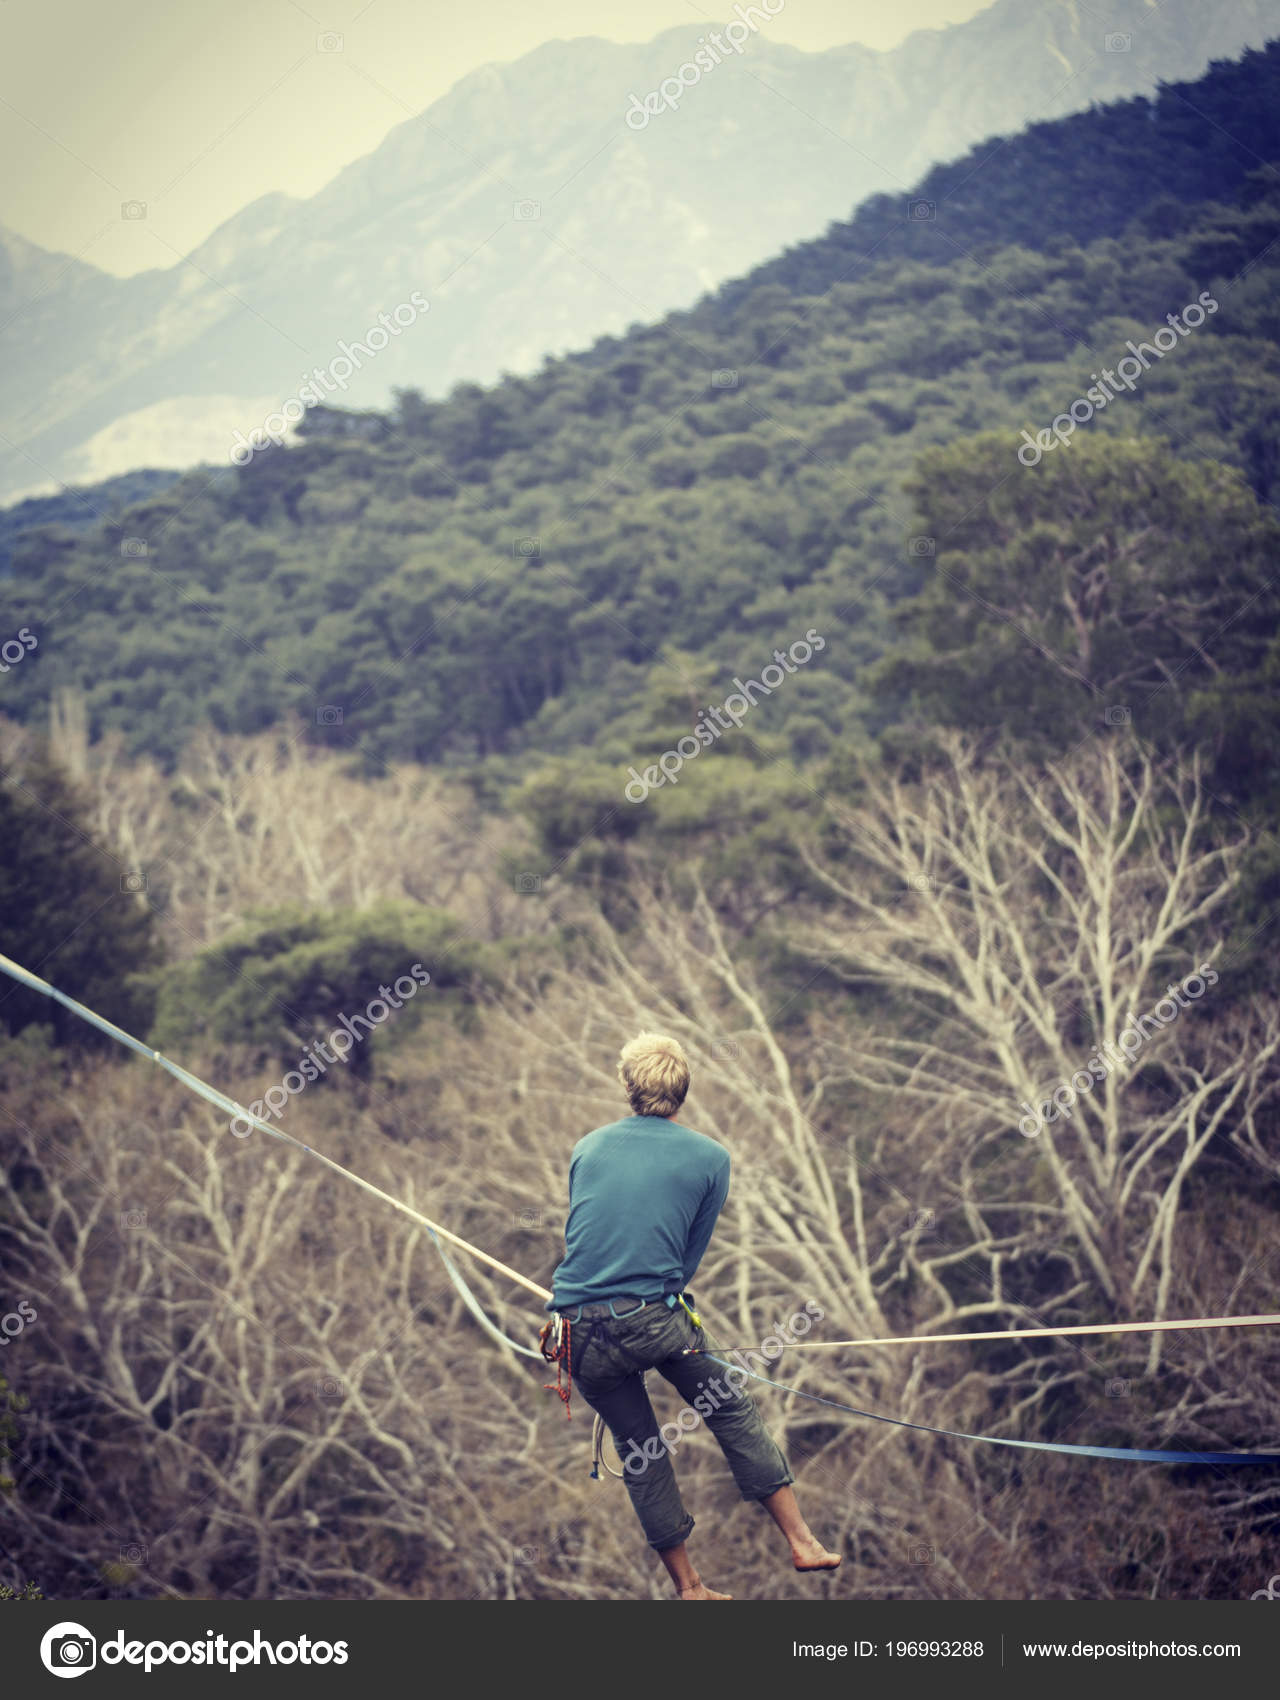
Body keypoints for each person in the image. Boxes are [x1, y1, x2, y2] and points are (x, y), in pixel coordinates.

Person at [545, 1032, 840, 1600]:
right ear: (683, 1091)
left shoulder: (588, 1146)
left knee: (641, 1448)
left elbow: (586, 1237)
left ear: (627, 1086)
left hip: (579, 1331)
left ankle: (690, 1587)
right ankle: (802, 1542)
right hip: (653, 1320)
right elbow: (684, 1265)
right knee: (728, 1408)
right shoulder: (710, 1158)